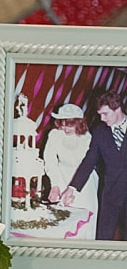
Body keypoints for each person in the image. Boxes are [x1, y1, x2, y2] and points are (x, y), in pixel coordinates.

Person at [61, 91, 127, 241]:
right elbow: (89, 161)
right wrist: (73, 188)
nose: (102, 119)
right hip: (110, 193)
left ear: (117, 108)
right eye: (100, 115)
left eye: (105, 114)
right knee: (103, 236)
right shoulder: (99, 132)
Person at [42, 103, 97, 240]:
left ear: (79, 123)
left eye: (69, 124)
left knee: (85, 220)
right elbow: (50, 160)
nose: (65, 128)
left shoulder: (87, 138)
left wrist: (75, 190)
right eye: (63, 124)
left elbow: (87, 166)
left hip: (84, 182)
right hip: (61, 177)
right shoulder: (54, 135)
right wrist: (55, 185)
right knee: (63, 219)